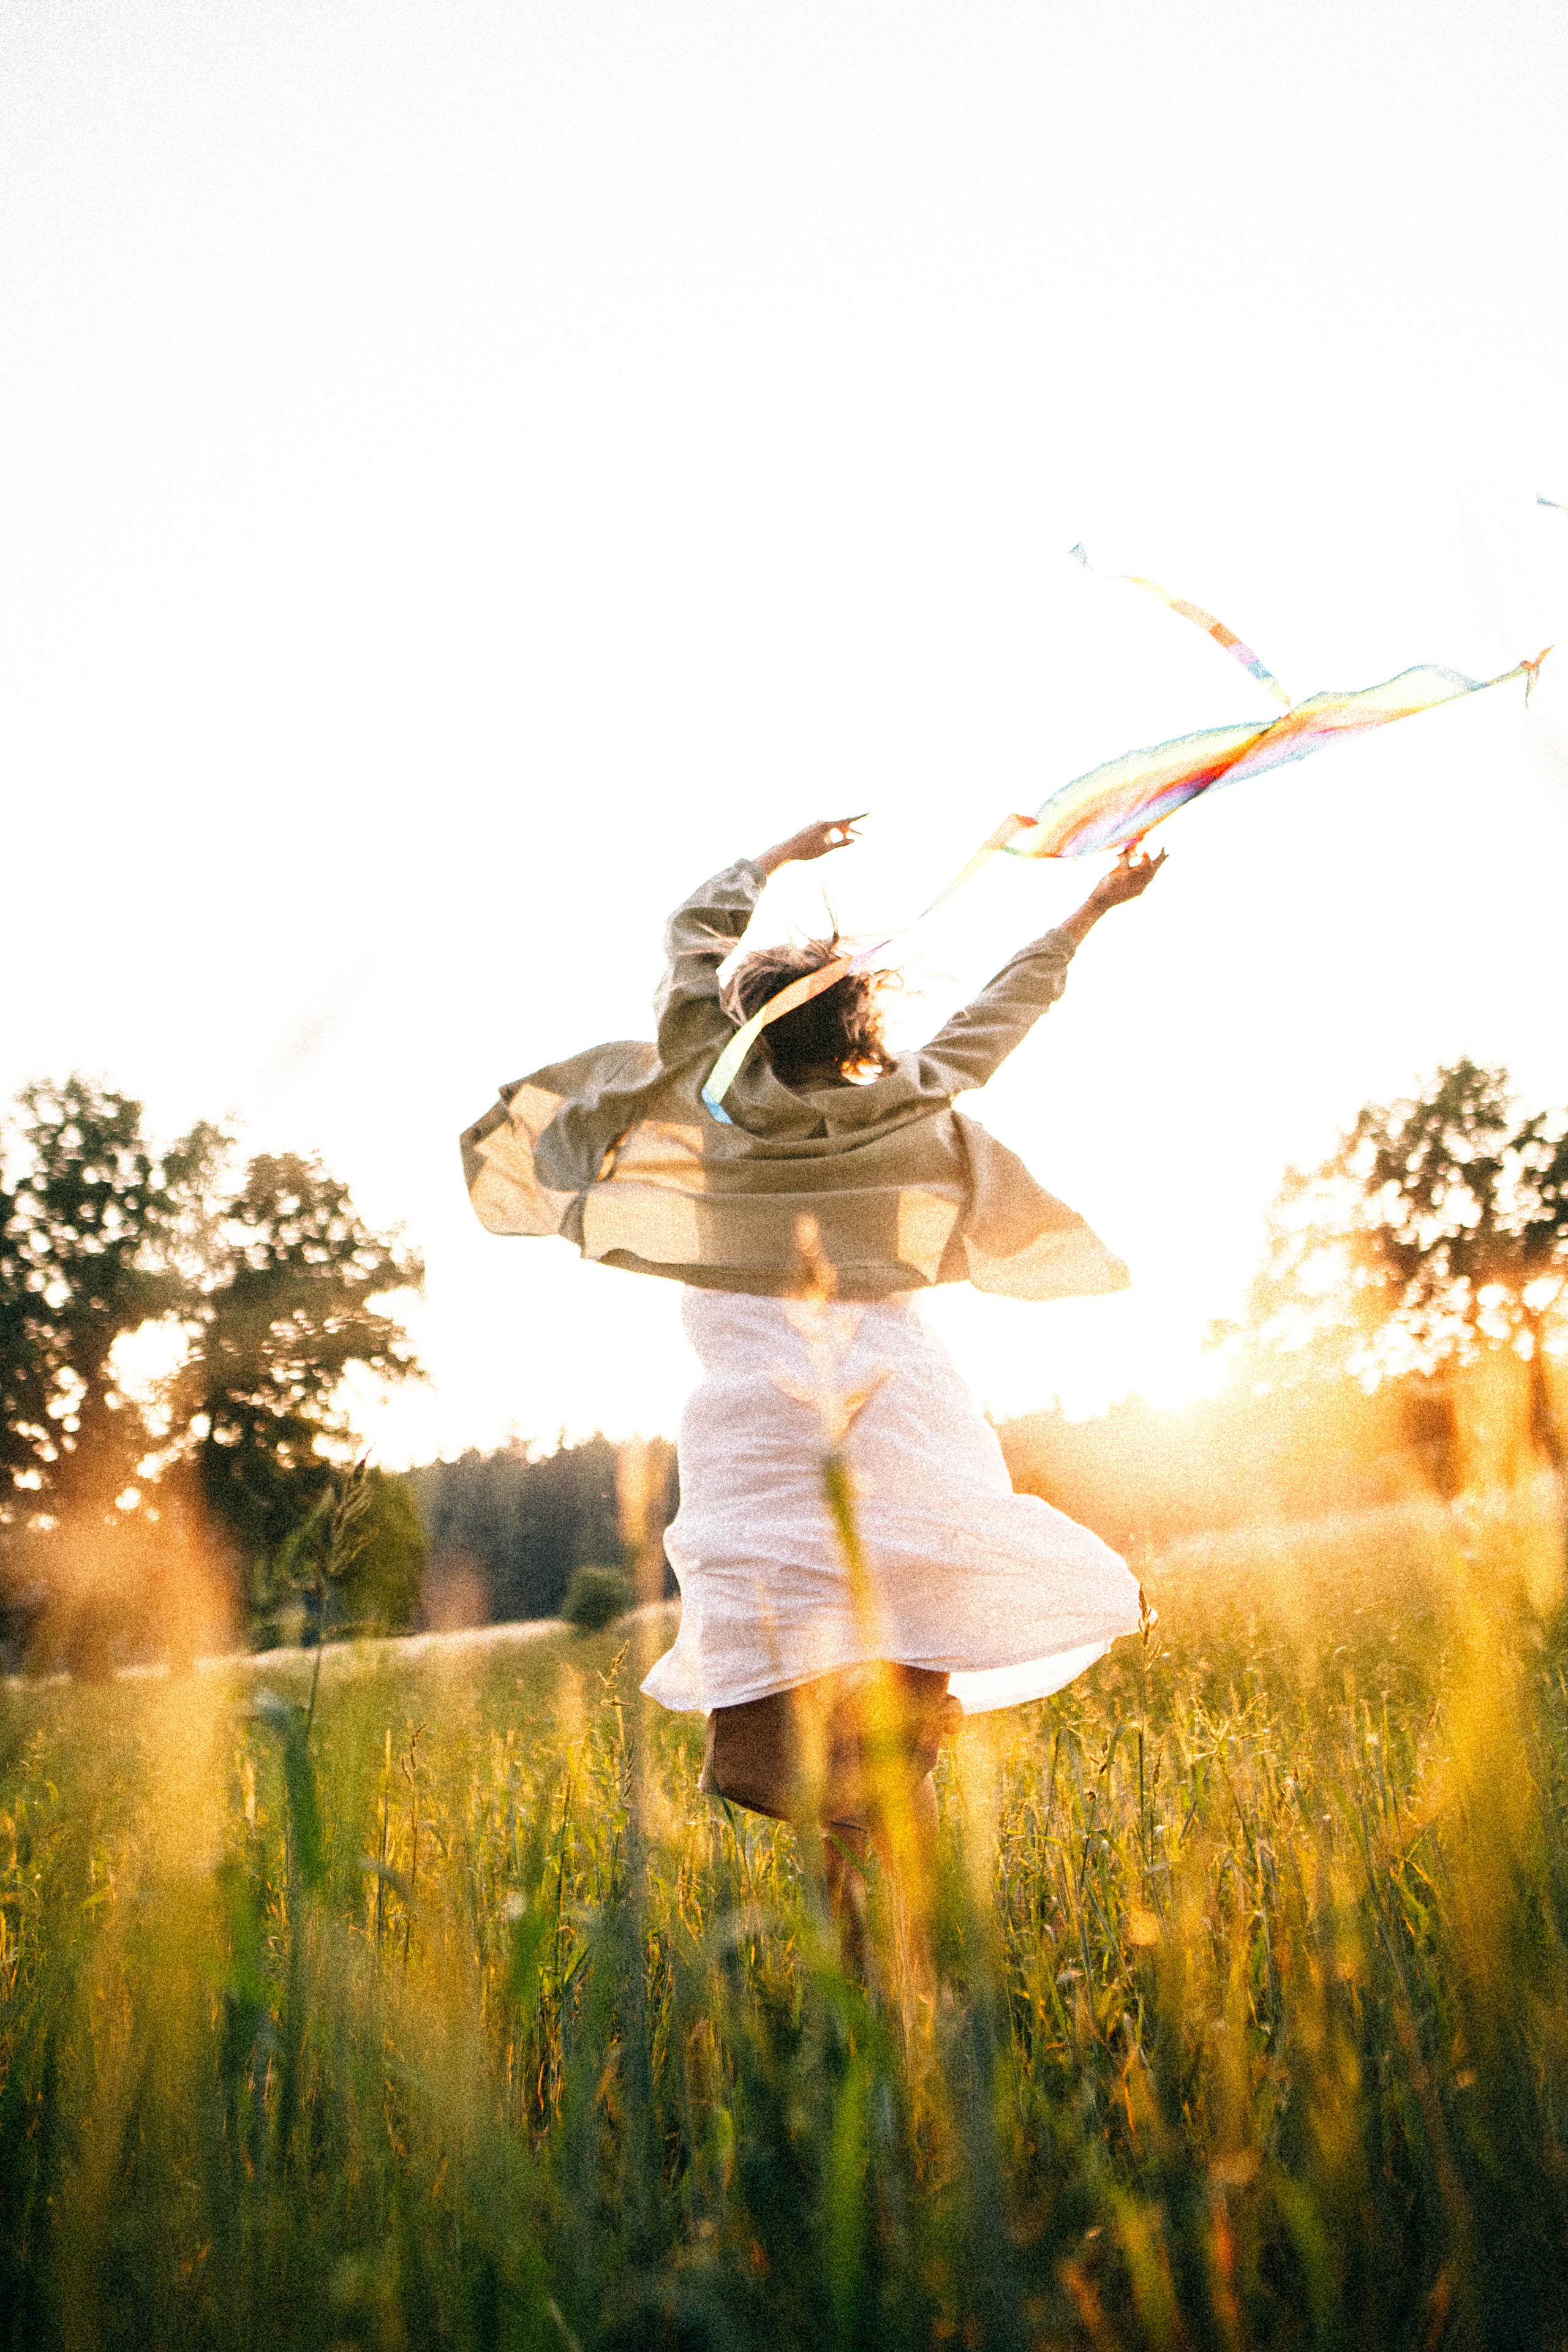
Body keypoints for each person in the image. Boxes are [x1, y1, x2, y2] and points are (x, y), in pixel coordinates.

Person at [462, 817, 1164, 1980]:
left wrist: (771, 863)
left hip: (867, 1439)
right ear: (859, 1037)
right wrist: (1086, 916)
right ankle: (912, 1969)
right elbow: (1001, 1013)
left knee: (842, 1758)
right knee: (806, 1764)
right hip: (802, 1450)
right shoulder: (897, 1101)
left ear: (739, 1025)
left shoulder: (703, 1089)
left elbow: (692, 941)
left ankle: (904, 2005)